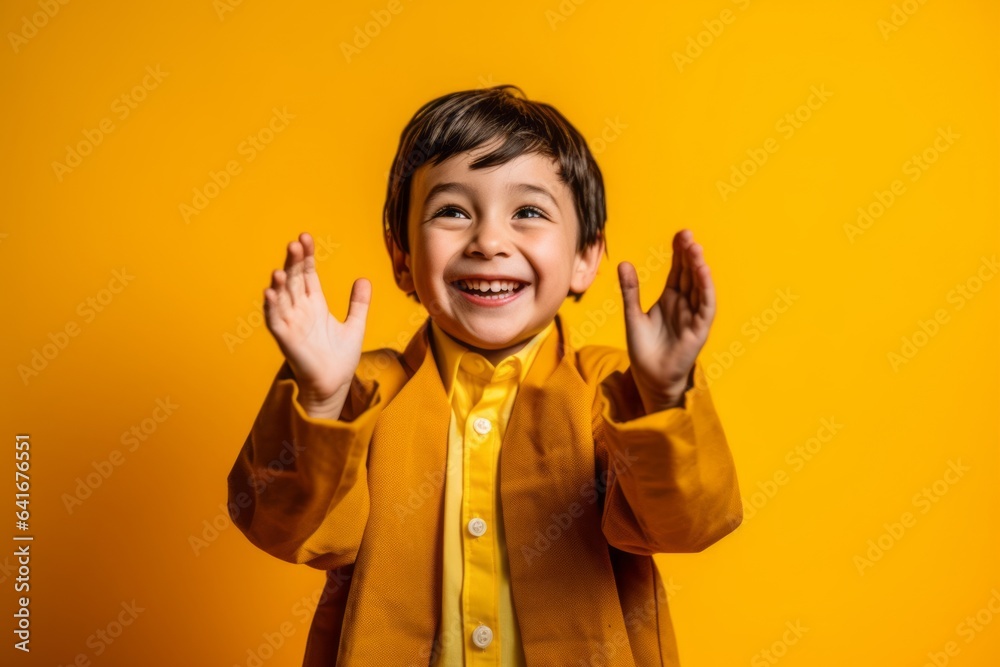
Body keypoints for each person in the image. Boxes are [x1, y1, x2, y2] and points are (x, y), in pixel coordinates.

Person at [227, 84, 743, 666]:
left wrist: (665, 397)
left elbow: (687, 525)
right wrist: (319, 400)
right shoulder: (361, 391)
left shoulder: (613, 392)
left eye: (528, 212)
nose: (489, 241)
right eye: (451, 210)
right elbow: (284, 529)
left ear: (584, 257)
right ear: (402, 258)